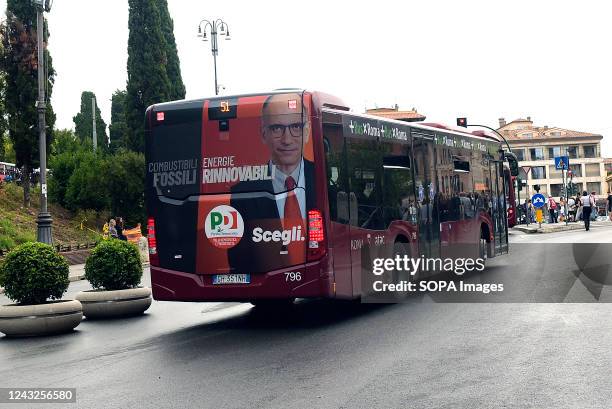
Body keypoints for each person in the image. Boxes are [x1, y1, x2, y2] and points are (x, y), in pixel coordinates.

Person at [228, 93, 315, 271]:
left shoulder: (324, 177)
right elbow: (238, 259)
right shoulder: (242, 193)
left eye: (296, 127)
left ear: (306, 132)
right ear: (263, 134)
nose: (287, 139)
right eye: (277, 129)